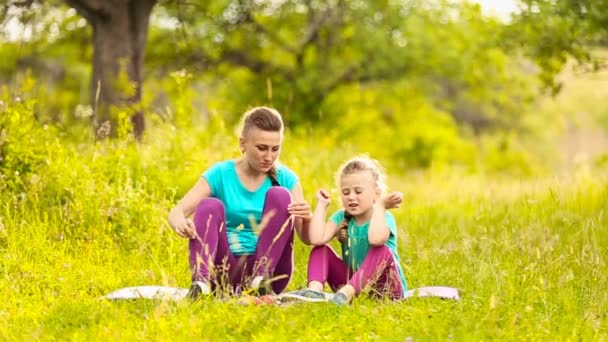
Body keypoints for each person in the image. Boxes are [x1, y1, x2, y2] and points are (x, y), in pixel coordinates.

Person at [167, 106, 312, 300]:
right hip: (226, 271)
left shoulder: (287, 179)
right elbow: (177, 212)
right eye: (261, 148)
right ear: (243, 144)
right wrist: (180, 223)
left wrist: (307, 218)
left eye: (275, 149)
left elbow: (306, 238)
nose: (269, 157)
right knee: (209, 205)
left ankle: (261, 281)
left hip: (272, 274)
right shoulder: (220, 174)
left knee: (280, 195)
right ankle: (200, 285)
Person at [297, 156, 407, 305]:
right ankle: (314, 292)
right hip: (354, 288)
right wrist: (321, 205)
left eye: (358, 191)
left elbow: (375, 239)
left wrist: (380, 206)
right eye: (346, 192)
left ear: (376, 193)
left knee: (382, 250)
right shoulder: (341, 216)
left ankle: (347, 292)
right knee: (320, 249)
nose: (351, 197)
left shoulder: (384, 216)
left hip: (387, 290)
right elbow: (317, 239)